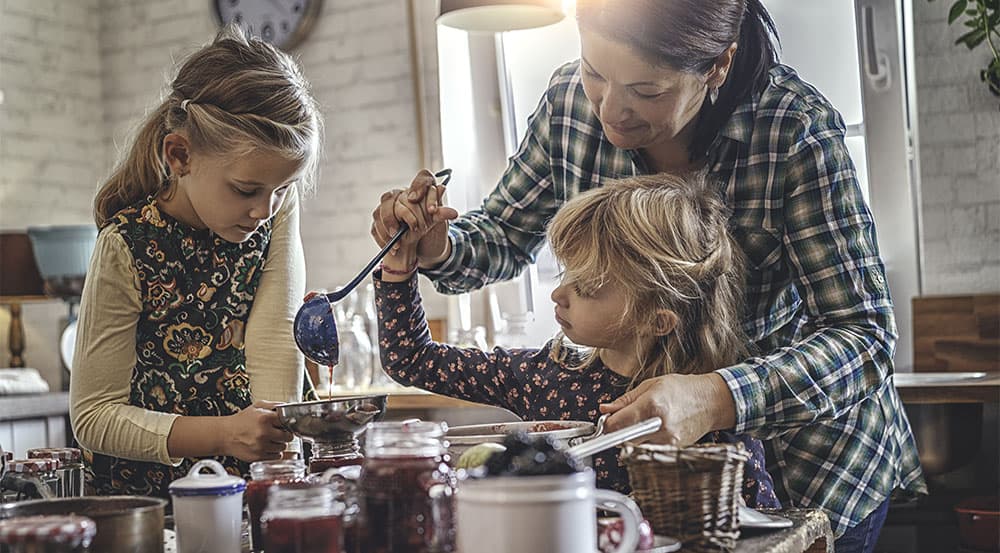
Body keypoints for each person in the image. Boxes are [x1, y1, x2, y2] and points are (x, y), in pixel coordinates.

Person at [372, 1, 925, 550]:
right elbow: (500, 236)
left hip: (812, 464)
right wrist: (437, 245)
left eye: (647, 91)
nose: (610, 110)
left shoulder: (792, 130)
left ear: (717, 66)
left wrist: (716, 396)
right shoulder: (568, 105)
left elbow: (865, 336)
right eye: (595, 72)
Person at [373, 173, 780, 508]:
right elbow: (410, 358)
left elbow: (762, 530)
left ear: (657, 320)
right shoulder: (544, 376)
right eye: (567, 273)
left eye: (587, 286)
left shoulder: (706, 414)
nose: (558, 293)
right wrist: (399, 268)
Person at [69, 26, 322, 498]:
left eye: (282, 189)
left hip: (254, 492)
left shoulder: (269, 210)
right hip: (150, 505)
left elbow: (273, 351)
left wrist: (277, 473)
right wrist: (223, 433)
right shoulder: (126, 246)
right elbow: (93, 417)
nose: (263, 210)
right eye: (246, 190)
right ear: (180, 154)